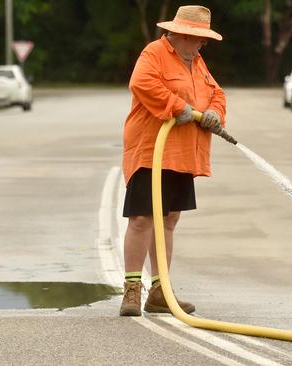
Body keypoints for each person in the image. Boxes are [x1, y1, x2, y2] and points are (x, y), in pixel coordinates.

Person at [120, 5, 226, 316]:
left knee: (168, 220)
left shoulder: (196, 62)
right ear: (179, 35)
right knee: (142, 219)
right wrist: (175, 105)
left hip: (181, 153)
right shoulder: (154, 53)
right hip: (150, 150)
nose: (201, 45)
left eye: (203, 40)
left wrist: (215, 113)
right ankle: (131, 290)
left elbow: (217, 94)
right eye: (197, 39)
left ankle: (160, 291)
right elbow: (142, 83)